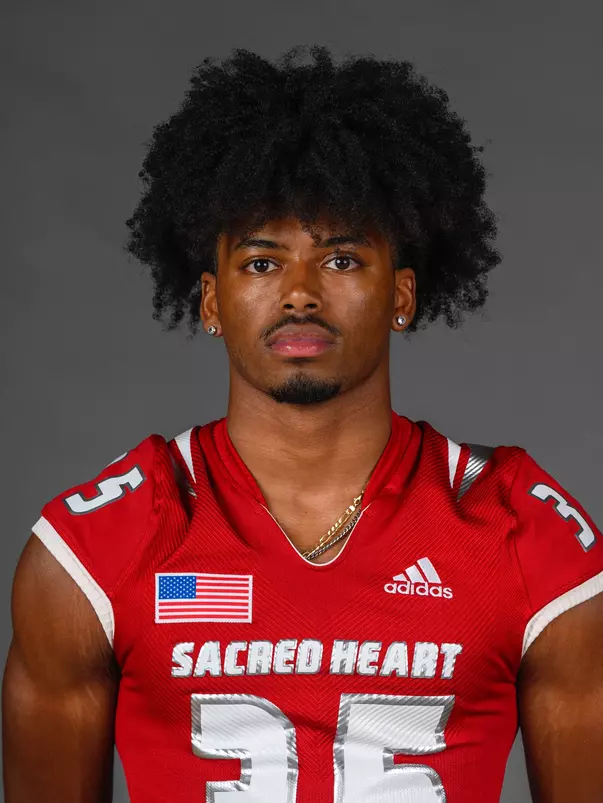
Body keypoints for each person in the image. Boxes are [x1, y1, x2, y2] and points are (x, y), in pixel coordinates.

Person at [3, 45, 603, 803]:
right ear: (211, 302)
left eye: (342, 260)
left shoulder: (525, 536)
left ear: (402, 295)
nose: (298, 293)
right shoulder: (95, 551)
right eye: (259, 263)